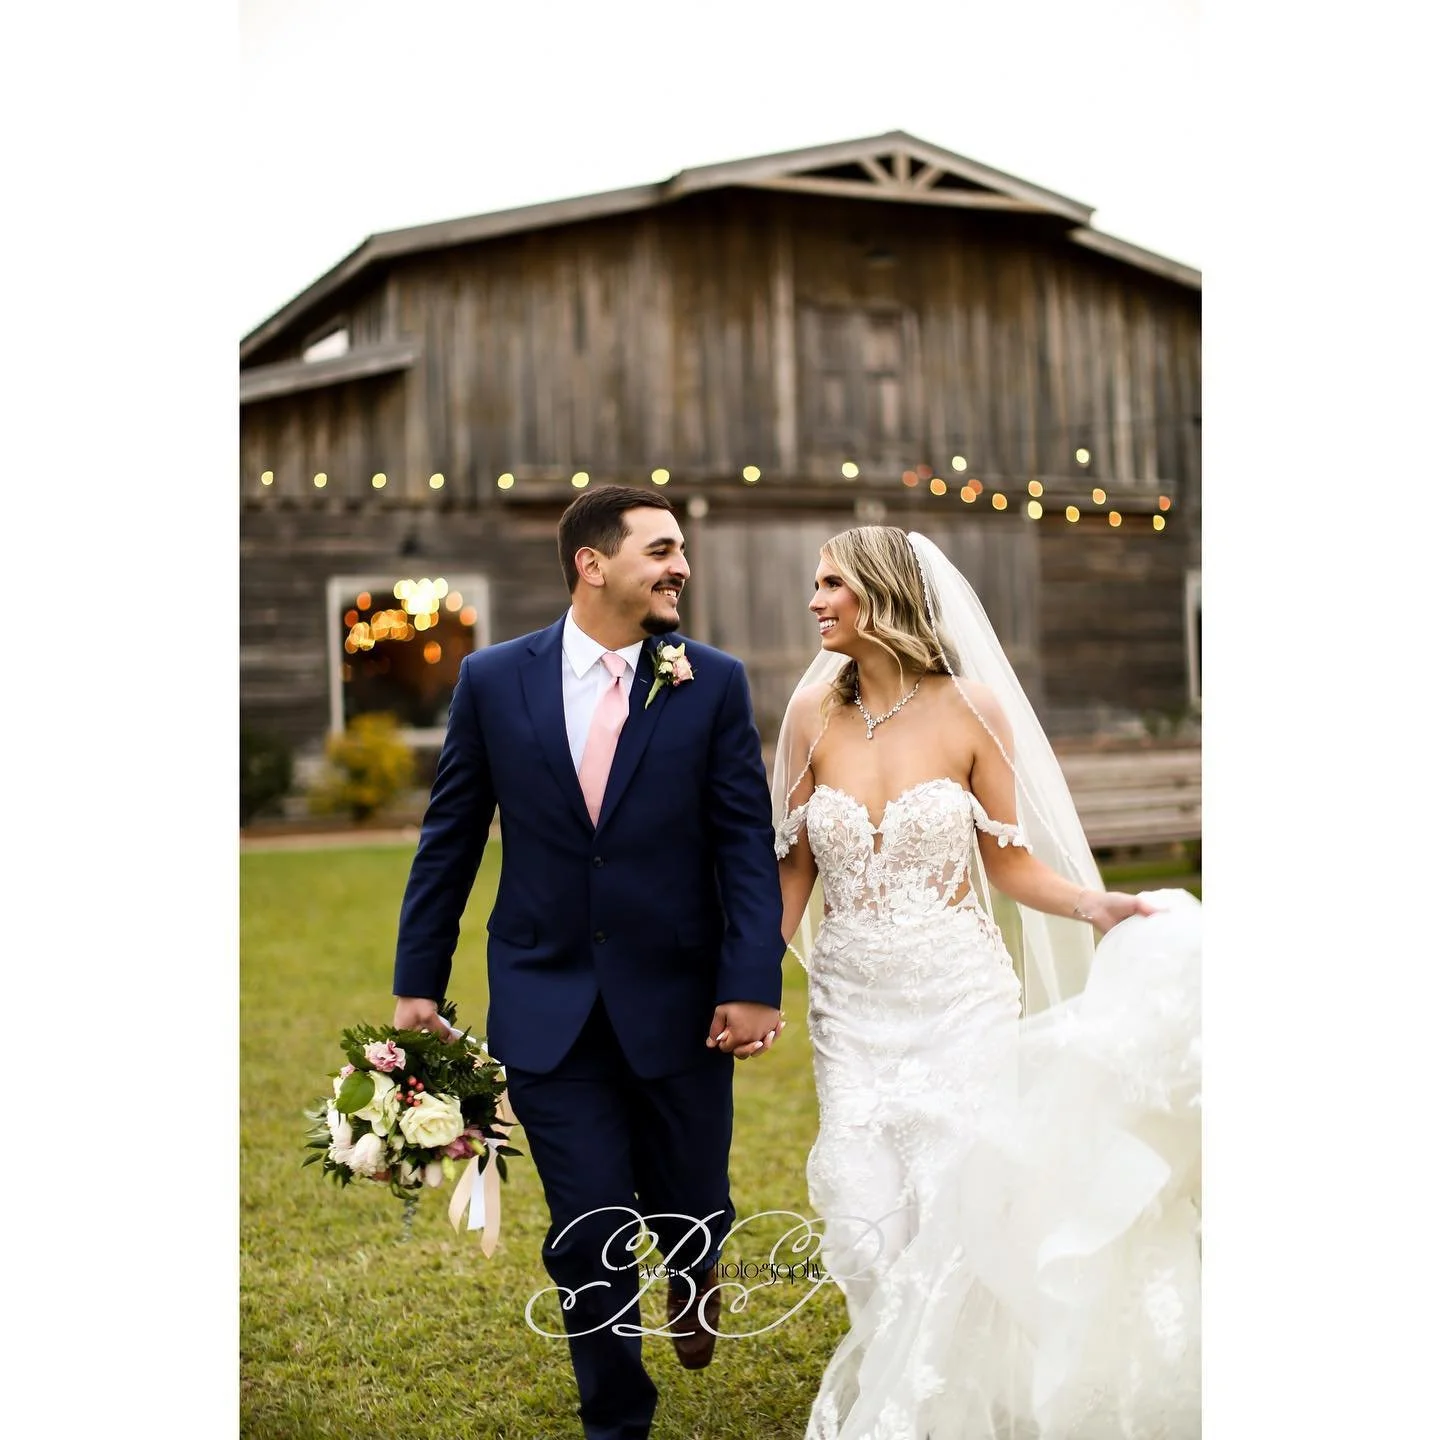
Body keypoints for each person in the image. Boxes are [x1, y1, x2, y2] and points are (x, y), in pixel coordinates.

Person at [772, 526, 1201, 1438]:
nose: (814, 602)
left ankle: (926, 1412)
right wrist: (750, 981)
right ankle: (902, 1373)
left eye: (829, 585)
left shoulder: (973, 710)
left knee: (956, 1217)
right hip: (851, 1012)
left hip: (960, 1001)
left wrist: (1092, 906)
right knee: (863, 1224)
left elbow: (1007, 866)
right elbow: (794, 872)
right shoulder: (812, 716)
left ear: (880, 595)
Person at [392, 484, 786, 1440]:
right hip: (546, 999)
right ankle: (618, 1418)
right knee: (589, 1230)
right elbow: (452, 834)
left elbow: (742, 841)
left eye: (680, 549)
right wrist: (417, 983)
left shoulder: (713, 680)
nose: (680, 565)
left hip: (684, 997)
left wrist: (749, 983)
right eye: (660, 549)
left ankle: (697, 1275)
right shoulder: (493, 680)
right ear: (592, 563)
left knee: (694, 1197)